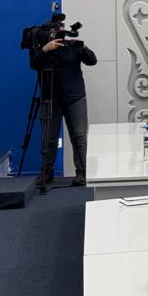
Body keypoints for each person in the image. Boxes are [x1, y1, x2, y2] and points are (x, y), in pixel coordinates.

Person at [29, 17, 97, 186]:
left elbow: (92, 61)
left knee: (79, 137)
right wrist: (45, 49)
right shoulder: (40, 48)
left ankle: (82, 172)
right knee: (49, 138)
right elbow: (34, 64)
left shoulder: (72, 47)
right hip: (50, 99)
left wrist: (83, 47)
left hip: (75, 98)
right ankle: (47, 172)